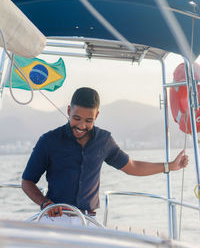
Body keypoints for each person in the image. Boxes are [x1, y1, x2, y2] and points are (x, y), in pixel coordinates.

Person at [22, 87, 188, 223]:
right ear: (68, 111)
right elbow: (27, 182)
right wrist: (45, 203)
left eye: (88, 120)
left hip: (89, 220)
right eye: (76, 118)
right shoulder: (49, 140)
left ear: (97, 116)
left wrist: (170, 166)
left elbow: (132, 166)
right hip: (54, 219)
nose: (81, 125)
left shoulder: (104, 140)